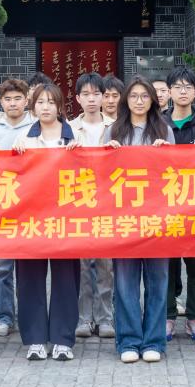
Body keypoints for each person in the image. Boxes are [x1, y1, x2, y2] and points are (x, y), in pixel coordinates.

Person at [106, 78, 174, 363]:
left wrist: (166, 153)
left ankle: (154, 342)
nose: (138, 101)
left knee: (157, 282)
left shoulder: (164, 129)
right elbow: (100, 175)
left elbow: (176, 173)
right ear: (126, 100)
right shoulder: (114, 130)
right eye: (133, 96)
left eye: (144, 96)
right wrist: (107, 154)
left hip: (157, 219)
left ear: (152, 101)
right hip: (124, 220)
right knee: (125, 284)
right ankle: (129, 341)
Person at [13, 82, 81, 361]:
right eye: (40, 102)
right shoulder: (23, 139)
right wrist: (15, 156)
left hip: (66, 220)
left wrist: (80, 154)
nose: (45, 107)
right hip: (31, 220)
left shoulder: (74, 136)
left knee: (66, 278)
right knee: (29, 278)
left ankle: (63, 339)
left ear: (60, 106)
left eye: (51, 102)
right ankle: (36, 339)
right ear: (33, 106)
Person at [0, 78, 34, 338]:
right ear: (0, 102)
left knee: (28, 267)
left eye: (17, 98)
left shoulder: (37, 127)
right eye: (7, 99)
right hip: (2, 204)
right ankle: (4, 316)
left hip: (32, 206)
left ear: (26, 100)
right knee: (3, 267)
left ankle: (28, 315)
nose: (13, 103)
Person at [163, 66, 195, 341]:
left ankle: (194, 318)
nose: (182, 92)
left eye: (188, 87)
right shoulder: (159, 123)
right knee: (167, 266)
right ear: (169, 92)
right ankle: (168, 316)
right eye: (177, 87)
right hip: (165, 206)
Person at [70, 72, 115, 339]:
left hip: (108, 203)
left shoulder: (116, 127)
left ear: (104, 97)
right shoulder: (68, 129)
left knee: (106, 266)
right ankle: (84, 318)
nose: (91, 99)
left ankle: (105, 318)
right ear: (77, 98)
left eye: (96, 94)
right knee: (83, 266)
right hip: (78, 204)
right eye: (85, 94)